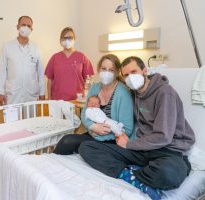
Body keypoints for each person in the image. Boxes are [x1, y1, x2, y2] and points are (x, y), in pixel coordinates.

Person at [78, 56, 195, 199]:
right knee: (86, 148)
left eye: (134, 72)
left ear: (145, 71)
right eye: (126, 75)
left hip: (166, 150)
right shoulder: (133, 93)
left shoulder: (165, 92)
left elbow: (163, 136)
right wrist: (96, 127)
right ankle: (130, 175)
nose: (130, 78)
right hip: (141, 149)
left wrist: (129, 144)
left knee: (168, 175)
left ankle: (139, 171)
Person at [53, 54, 134, 155]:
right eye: (104, 69)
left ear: (117, 72)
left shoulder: (123, 93)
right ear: (98, 69)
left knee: (84, 148)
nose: (106, 73)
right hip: (94, 134)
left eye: (111, 70)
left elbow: (128, 129)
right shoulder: (95, 88)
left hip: (113, 141)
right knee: (66, 141)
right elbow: (85, 113)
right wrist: (91, 126)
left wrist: (101, 135)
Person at [0, 16, 45, 105]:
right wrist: (0, 92)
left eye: (29, 26)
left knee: (31, 119)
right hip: (12, 94)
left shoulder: (36, 48)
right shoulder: (7, 47)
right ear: (17, 27)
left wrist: (42, 93)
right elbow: (2, 70)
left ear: (31, 29)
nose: (26, 28)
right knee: (12, 119)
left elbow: (40, 72)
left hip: (31, 94)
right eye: (23, 25)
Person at [45, 27, 94, 101]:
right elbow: (50, 80)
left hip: (77, 100)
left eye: (70, 38)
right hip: (57, 100)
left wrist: (87, 96)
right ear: (60, 40)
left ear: (74, 39)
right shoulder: (55, 58)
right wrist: (49, 98)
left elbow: (88, 78)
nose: (67, 40)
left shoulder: (81, 57)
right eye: (64, 38)